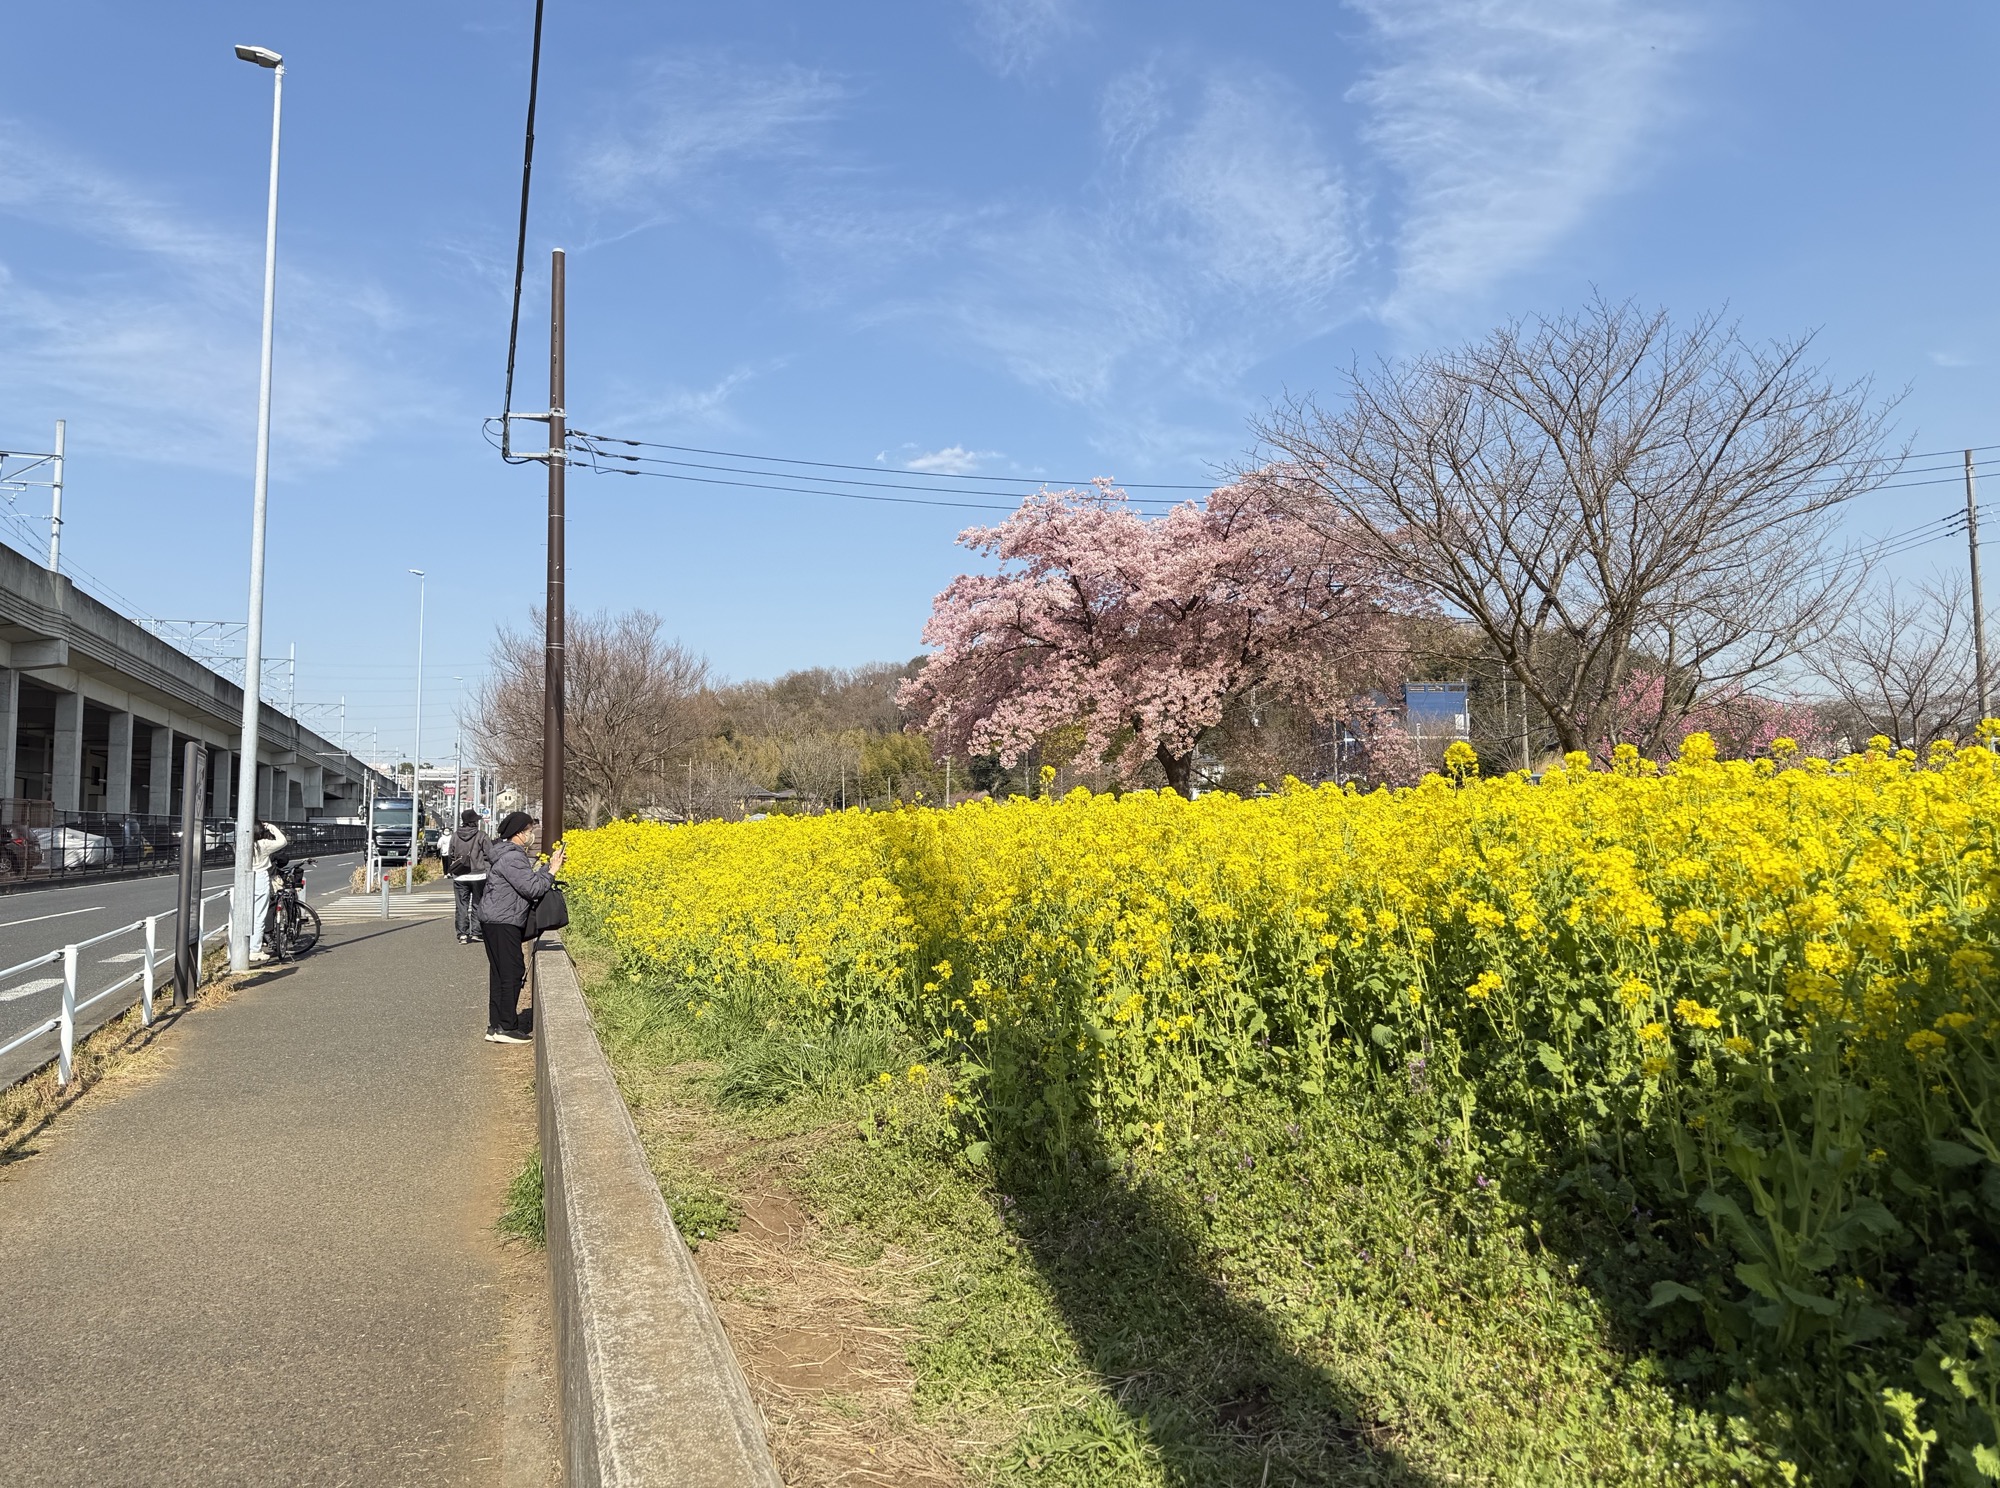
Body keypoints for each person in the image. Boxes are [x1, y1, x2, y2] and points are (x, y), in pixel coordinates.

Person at [478, 810, 564, 1044]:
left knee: (499, 973)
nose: (531, 835)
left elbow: (528, 881)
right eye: (528, 831)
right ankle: (506, 1027)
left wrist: (548, 867)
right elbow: (532, 889)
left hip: (494, 919)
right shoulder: (513, 857)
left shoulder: (504, 854)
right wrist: (553, 871)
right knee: (512, 972)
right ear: (518, 833)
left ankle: (495, 1025)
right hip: (504, 920)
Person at [444, 809, 490, 945]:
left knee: (461, 905)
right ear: (473, 822)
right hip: (479, 875)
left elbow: (450, 854)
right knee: (477, 903)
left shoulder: (455, 836)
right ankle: (476, 932)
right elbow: (490, 853)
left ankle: (462, 934)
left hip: (460, 875)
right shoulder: (481, 835)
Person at [249, 819, 288, 964]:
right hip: (260, 878)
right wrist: (271, 827)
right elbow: (282, 841)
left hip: (244, 878)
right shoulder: (263, 844)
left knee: (244, 915)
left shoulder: (241, 843)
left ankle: (239, 949)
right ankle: (254, 950)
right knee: (259, 915)